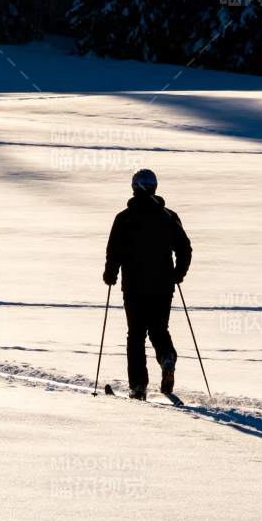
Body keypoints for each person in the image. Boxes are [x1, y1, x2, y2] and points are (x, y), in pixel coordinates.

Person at [103, 169, 192, 399]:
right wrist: (177, 273)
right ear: (154, 187)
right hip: (163, 286)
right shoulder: (168, 216)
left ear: (134, 188)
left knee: (136, 334)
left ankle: (139, 386)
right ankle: (167, 358)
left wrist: (110, 274)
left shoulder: (124, 218)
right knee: (159, 329)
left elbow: (114, 251)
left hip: (133, 286)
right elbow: (184, 249)